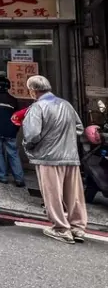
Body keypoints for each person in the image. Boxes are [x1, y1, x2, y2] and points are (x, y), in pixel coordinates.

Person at [22, 75, 88, 244]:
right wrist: (65, 141)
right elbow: (79, 128)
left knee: (53, 194)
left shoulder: (38, 107)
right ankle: (78, 227)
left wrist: (29, 146)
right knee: (74, 194)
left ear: (33, 91)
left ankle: (61, 228)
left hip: (49, 157)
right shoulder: (66, 104)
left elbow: (32, 135)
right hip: (70, 156)